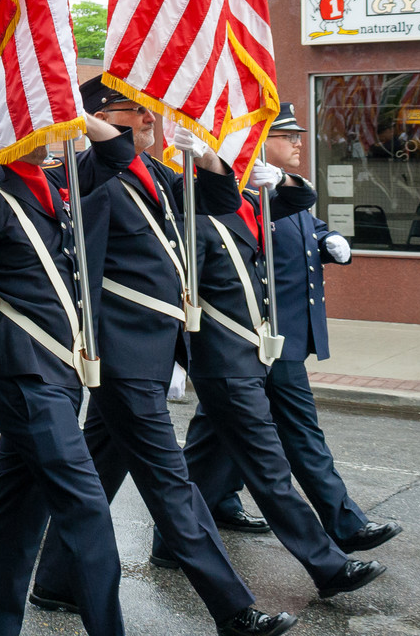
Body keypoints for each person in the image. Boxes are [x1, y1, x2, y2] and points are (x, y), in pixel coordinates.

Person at [31, 78, 295, 636]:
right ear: (103, 117)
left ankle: (54, 580)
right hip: (120, 354)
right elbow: (107, 168)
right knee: (172, 484)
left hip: (152, 351)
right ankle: (232, 608)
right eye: (139, 110)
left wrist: (215, 162)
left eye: (153, 111)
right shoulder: (88, 176)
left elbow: (221, 202)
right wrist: (89, 125)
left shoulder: (157, 174)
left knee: (100, 470)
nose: (153, 120)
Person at [147, 135, 387, 602]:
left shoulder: (246, 204)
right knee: (270, 469)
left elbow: (300, 198)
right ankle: (328, 565)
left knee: (205, 456)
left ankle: (171, 545)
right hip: (222, 359)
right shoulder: (196, 215)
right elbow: (181, 297)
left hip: (251, 355)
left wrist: (281, 178)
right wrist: (175, 358)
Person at [0, 114, 132, 636]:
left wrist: (76, 106)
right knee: (87, 509)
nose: (57, 131)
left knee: (13, 512)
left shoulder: (56, 180)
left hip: (61, 373)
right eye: (42, 118)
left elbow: (118, 153)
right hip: (22, 375)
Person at [192, 105, 402, 554]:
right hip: (263, 335)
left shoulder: (278, 187)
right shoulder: (239, 192)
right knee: (299, 431)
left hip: (282, 334)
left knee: (217, 436)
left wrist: (327, 240)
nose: (299, 143)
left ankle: (194, 522)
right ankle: (345, 523)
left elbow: (307, 223)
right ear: (261, 142)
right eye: (288, 136)